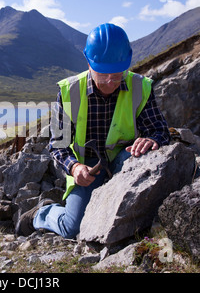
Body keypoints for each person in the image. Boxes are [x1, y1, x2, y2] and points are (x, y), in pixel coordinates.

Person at [15, 23, 170, 238]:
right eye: (103, 73)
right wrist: (75, 167)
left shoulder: (140, 87)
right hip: (87, 167)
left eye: (117, 75)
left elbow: (160, 131)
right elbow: (58, 145)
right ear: (88, 62)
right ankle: (42, 213)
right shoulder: (69, 91)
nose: (110, 82)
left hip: (126, 162)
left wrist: (153, 140)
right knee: (73, 228)